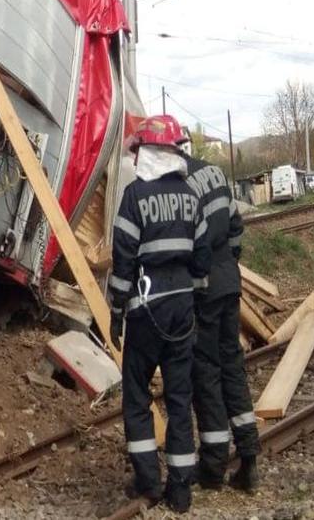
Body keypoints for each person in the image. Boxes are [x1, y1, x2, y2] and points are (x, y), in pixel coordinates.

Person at [109, 114, 212, 513]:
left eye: (138, 151)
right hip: (182, 310)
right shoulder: (190, 195)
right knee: (180, 397)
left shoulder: (134, 196)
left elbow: (123, 260)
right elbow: (202, 257)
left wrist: (116, 311)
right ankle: (181, 489)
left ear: (148, 151)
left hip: (145, 310)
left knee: (137, 397)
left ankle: (149, 483)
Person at [180, 138, 261, 492]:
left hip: (206, 290)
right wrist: (228, 265)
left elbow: (188, 249)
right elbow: (235, 228)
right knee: (233, 366)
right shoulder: (213, 172)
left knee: (206, 372)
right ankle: (249, 457)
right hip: (230, 281)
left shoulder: (180, 187)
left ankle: (213, 466)